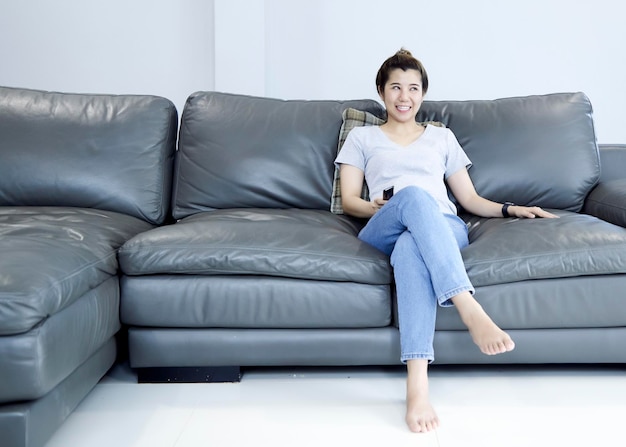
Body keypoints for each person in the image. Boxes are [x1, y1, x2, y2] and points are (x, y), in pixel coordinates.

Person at [335, 49, 558, 434]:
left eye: (413, 88)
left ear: (423, 94)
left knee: (411, 248)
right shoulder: (363, 136)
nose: (405, 96)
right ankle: (466, 305)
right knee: (414, 197)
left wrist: (510, 209)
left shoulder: (442, 137)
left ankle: (417, 386)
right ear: (381, 91)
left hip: (442, 227)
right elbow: (351, 200)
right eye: (396, 88)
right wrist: (383, 207)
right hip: (382, 223)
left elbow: (469, 201)